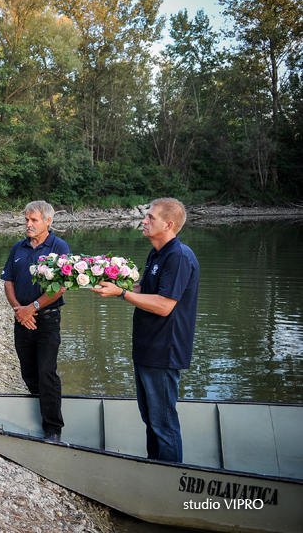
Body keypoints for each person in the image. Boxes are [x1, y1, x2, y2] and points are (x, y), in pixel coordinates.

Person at [92, 198, 199, 463]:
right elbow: (147, 291)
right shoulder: (157, 253)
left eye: (150, 217)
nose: (144, 220)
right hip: (146, 348)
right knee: (150, 418)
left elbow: (164, 306)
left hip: (164, 351)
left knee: (163, 422)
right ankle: (155, 470)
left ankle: (170, 480)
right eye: (146, 216)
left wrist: (123, 293)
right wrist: (114, 286)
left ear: (169, 224)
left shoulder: (179, 256)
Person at [0, 201, 69, 443]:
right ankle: (41, 411)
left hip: (47, 320)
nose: (28, 224)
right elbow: (8, 280)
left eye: (34, 220)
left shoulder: (59, 247)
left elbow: (61, 286)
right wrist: (19, 310)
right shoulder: (18, 248)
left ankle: (53, 430)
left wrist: (33, 308)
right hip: (22, 320)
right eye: (26, 220)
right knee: (29, 373)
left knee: (47, 372)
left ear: (47, 221)